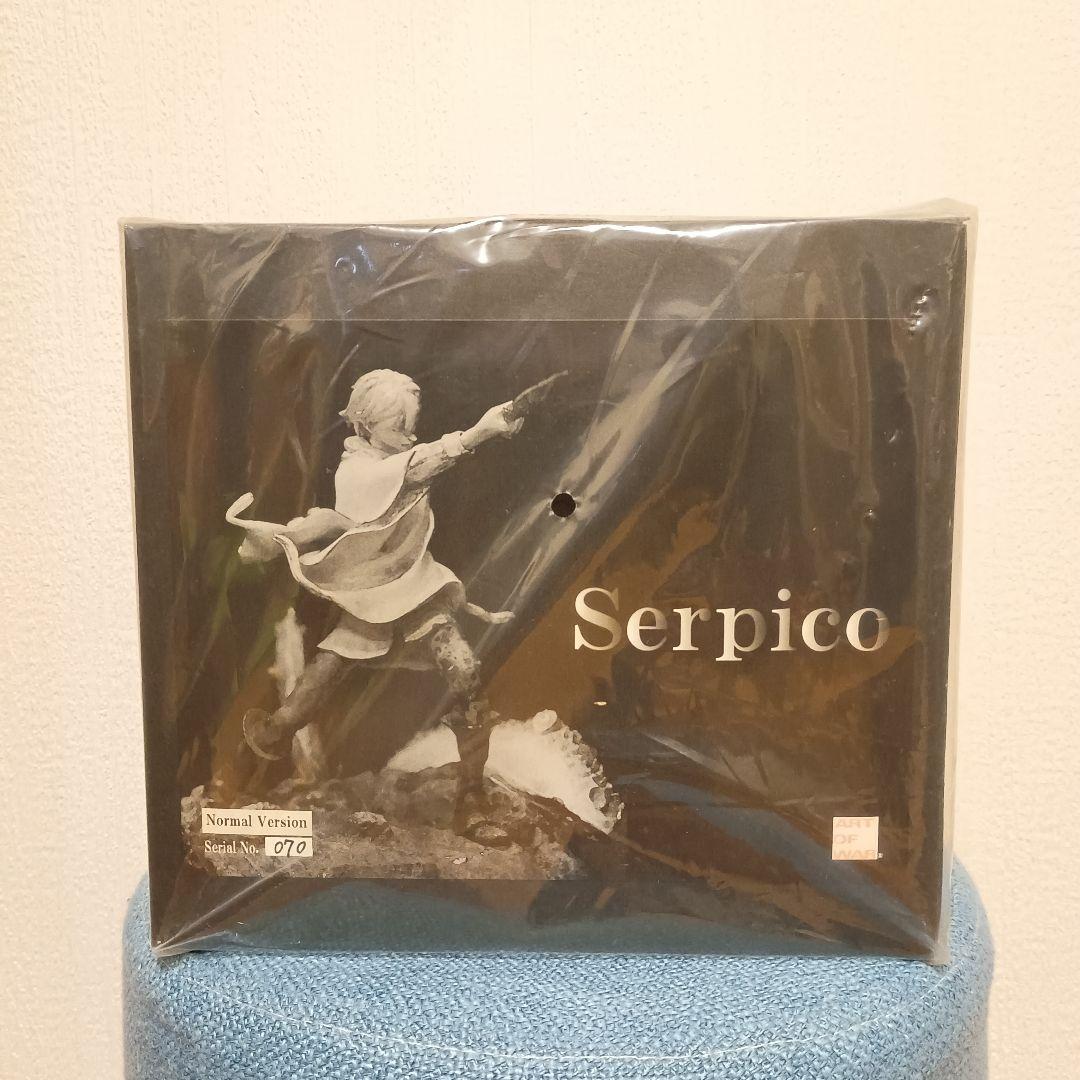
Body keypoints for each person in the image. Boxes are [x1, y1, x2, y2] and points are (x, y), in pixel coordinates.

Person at [226, 369, 528, 846]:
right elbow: (398, 481)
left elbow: (401, 476)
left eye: (412, 422)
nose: (410, 432)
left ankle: (471, 798)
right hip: (371, 595)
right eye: (398, 424)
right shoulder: (359, 471)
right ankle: (264, 743)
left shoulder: (393, 460)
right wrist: (479, 433)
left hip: (415, 589)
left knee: (466, 673)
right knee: (319, 682)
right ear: (365, 425)